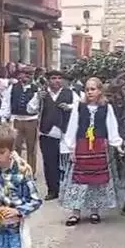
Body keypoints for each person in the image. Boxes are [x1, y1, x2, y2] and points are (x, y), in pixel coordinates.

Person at [60, 78, 124, 226]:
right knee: (78, 181)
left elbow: (112, 127)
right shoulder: (79, 107)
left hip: (99, 147)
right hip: (82, 147)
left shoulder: (106, 108)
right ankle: (75, 213)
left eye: (93, 89)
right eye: (88, 89)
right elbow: (72, 126)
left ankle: (94, 211)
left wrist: (117, 144)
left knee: (97, 181)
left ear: (100, 91)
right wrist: (71, 147)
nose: (89, 92)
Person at [26, 70, 77, 200]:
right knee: (49, 163)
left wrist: (69, 107)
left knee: (66, 163)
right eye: (54, 78)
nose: (57, 81)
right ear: (48, 80)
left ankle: (67, 189)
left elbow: (80, 107)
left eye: (59, 78)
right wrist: (37, 98)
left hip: (65, 134)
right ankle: (52, 190)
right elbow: (30, 109)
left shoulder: (70, 93)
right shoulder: (41, 94)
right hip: (47, 133)